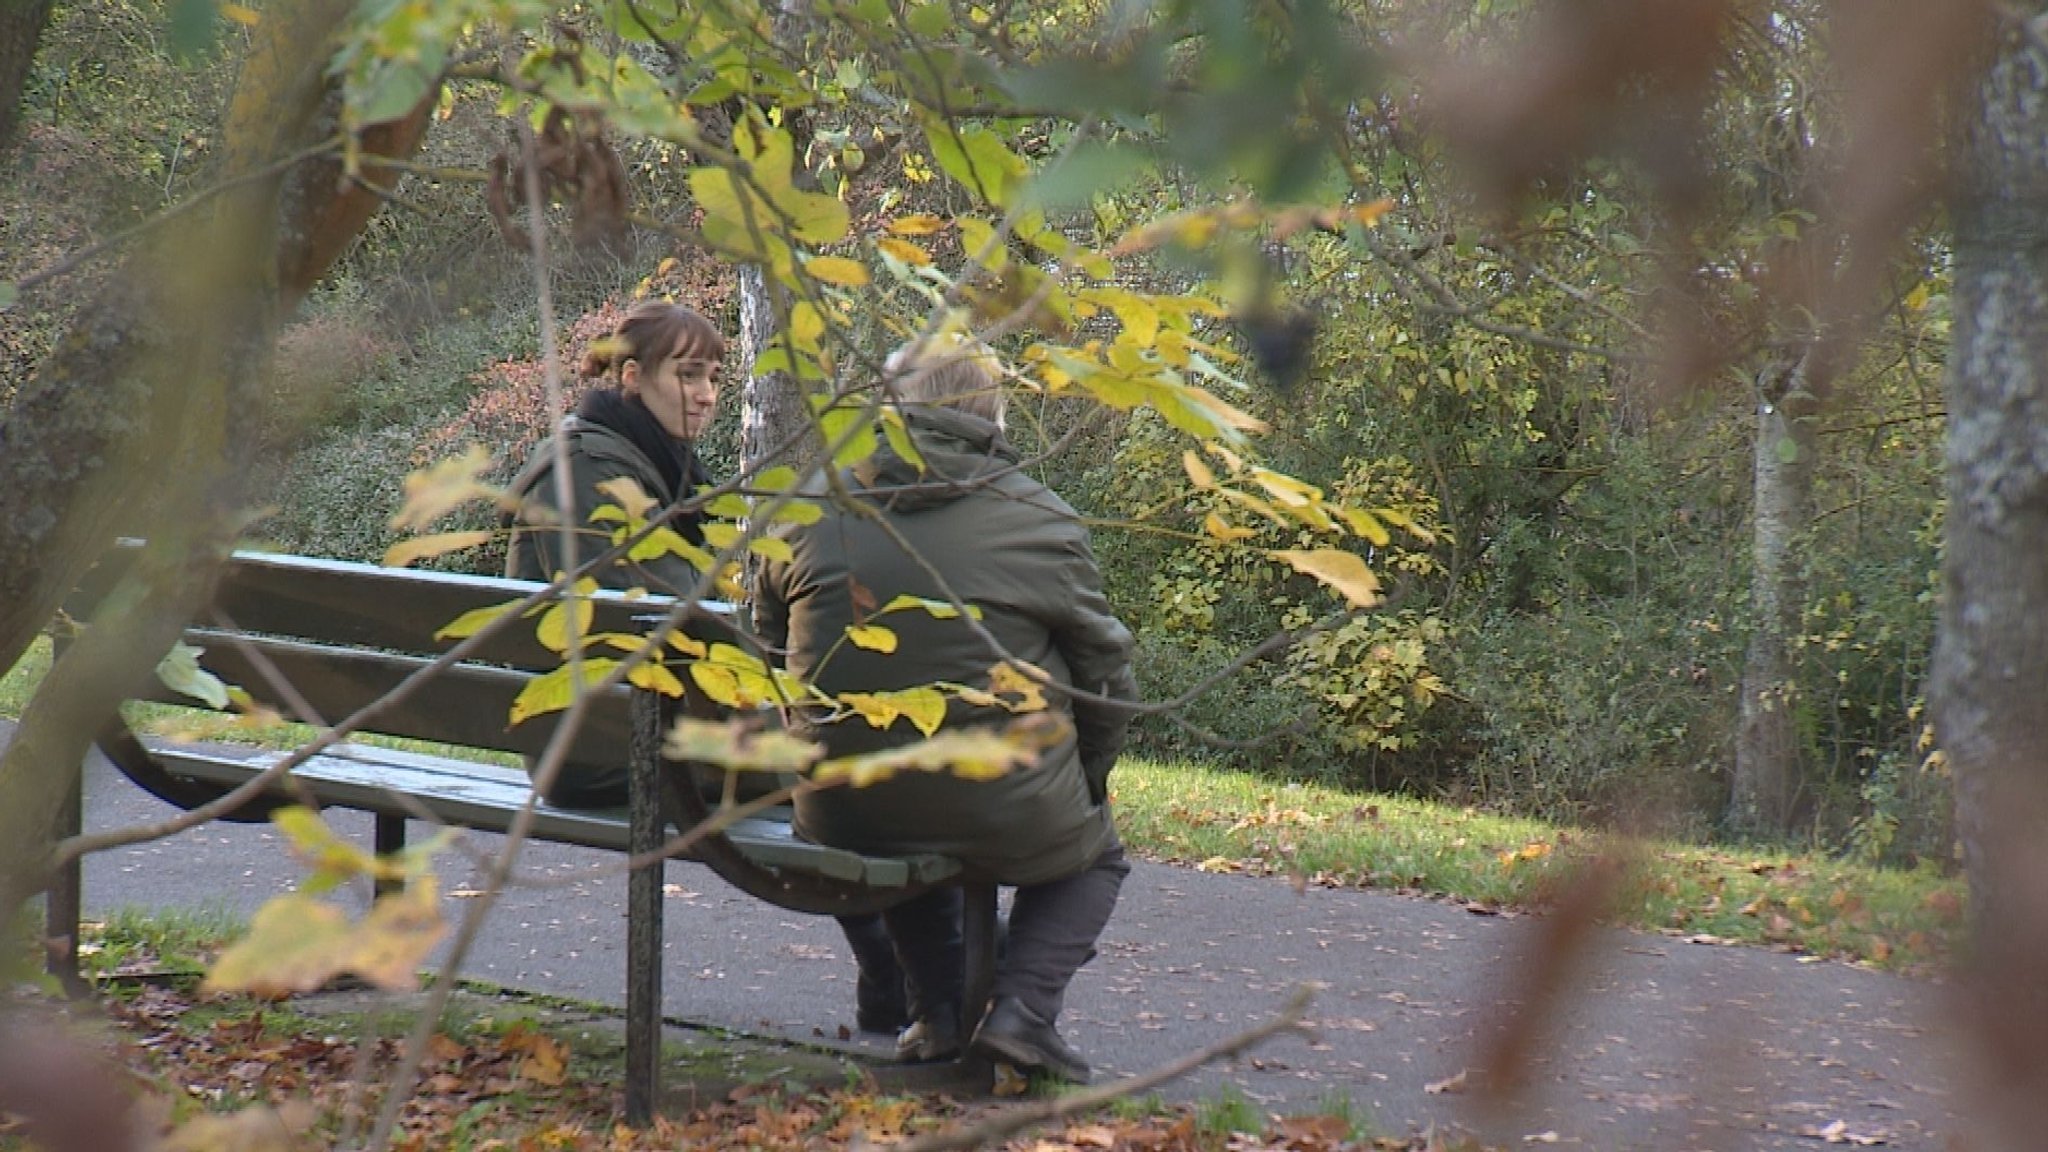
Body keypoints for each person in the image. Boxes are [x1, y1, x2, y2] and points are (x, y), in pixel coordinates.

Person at [503, 299, 911, 1035]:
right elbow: (668, 622)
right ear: (631, 376)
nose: (706, 394)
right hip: (603, 747)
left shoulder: (636, 459)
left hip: (621, 727)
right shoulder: (595, 471)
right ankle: (911, 975)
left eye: (716, 377)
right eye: (686, 374)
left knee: (831, 755)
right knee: (838, 767)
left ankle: (901, 972)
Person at [755, 333, 1139, 1083]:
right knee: (1096, 857)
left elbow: (768, 650)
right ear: (992, 413)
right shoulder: (1040, 520)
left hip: (841, 802)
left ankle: (938, 1013)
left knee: (891, 792)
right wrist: (1088, 776)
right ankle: (1023, 1013)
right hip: (1005, 799)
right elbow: (1105, 678)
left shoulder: (809, 504)